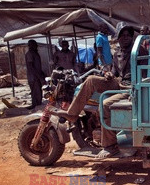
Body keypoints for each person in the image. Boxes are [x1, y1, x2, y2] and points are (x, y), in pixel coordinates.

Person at [51, 22, 135, 158]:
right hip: (119, 83)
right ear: (118, 37)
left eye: (128, 35)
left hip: (130, 88)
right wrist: (109, 74)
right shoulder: (117, 53)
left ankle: (110, 145)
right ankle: (72, 113)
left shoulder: (137, 51)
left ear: (132, 37)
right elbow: (115, 71)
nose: (125, 38)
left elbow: (145, 73)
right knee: (90, 79)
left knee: (104, 104)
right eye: (122, 35)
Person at [25, 40, 46, 109]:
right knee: (35, 91)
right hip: (33, 76)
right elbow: (31, 67)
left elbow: (37, 66)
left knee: (38, 91)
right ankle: (35, 105)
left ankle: (38, 104)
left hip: (37, 75)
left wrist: (42, 73)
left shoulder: (35, 53)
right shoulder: (30, 54)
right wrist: (38, 75)